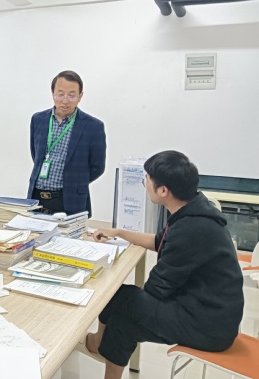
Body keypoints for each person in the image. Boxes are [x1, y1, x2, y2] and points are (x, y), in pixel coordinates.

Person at [85, 150, 243, 379]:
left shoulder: (191, 229)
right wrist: (118, 232)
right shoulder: (194, 211)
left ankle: (97, 343)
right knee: (122, 323)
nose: (145, 184)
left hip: (208, 325)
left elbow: (156, 290)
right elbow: (160, 241)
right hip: (211, 315)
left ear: (163, 191)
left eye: (147, 180)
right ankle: (100, 347)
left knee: (119, 296)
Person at [28, 70, 106, 216]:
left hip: (69, 199)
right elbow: (36, 155)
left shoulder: (93, 126)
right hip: (37, 197)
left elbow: (98, 167)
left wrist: (75, 182)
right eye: (60, 94)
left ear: (80, 96)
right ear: (52, 93)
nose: (65, 100)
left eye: (71, 95)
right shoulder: (38, 119)